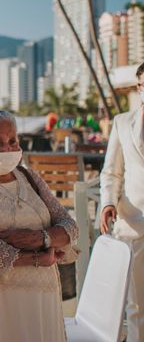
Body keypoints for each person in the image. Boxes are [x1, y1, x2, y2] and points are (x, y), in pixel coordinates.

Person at [0, 109, 78, 342]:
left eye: (12, 141)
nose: (7, 149)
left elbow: (69, 225)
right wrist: (38, 259)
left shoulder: (30, 178)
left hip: (41, 298)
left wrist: (41, 238)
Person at [100, 61, 144, 341]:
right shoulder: (122, 122)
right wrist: (107, 202)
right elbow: (112, 170)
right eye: (143, 85)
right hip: (133, 223)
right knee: (137, 306)